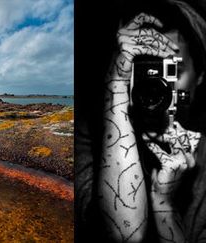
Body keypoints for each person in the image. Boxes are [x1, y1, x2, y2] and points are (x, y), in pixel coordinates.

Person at [77, 0, 206, 242]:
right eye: (145, 69)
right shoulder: (89, 136)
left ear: (200, 76)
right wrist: (116, 84)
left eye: (171, 71)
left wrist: (163, 200)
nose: (156, 84)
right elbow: (125, 235)